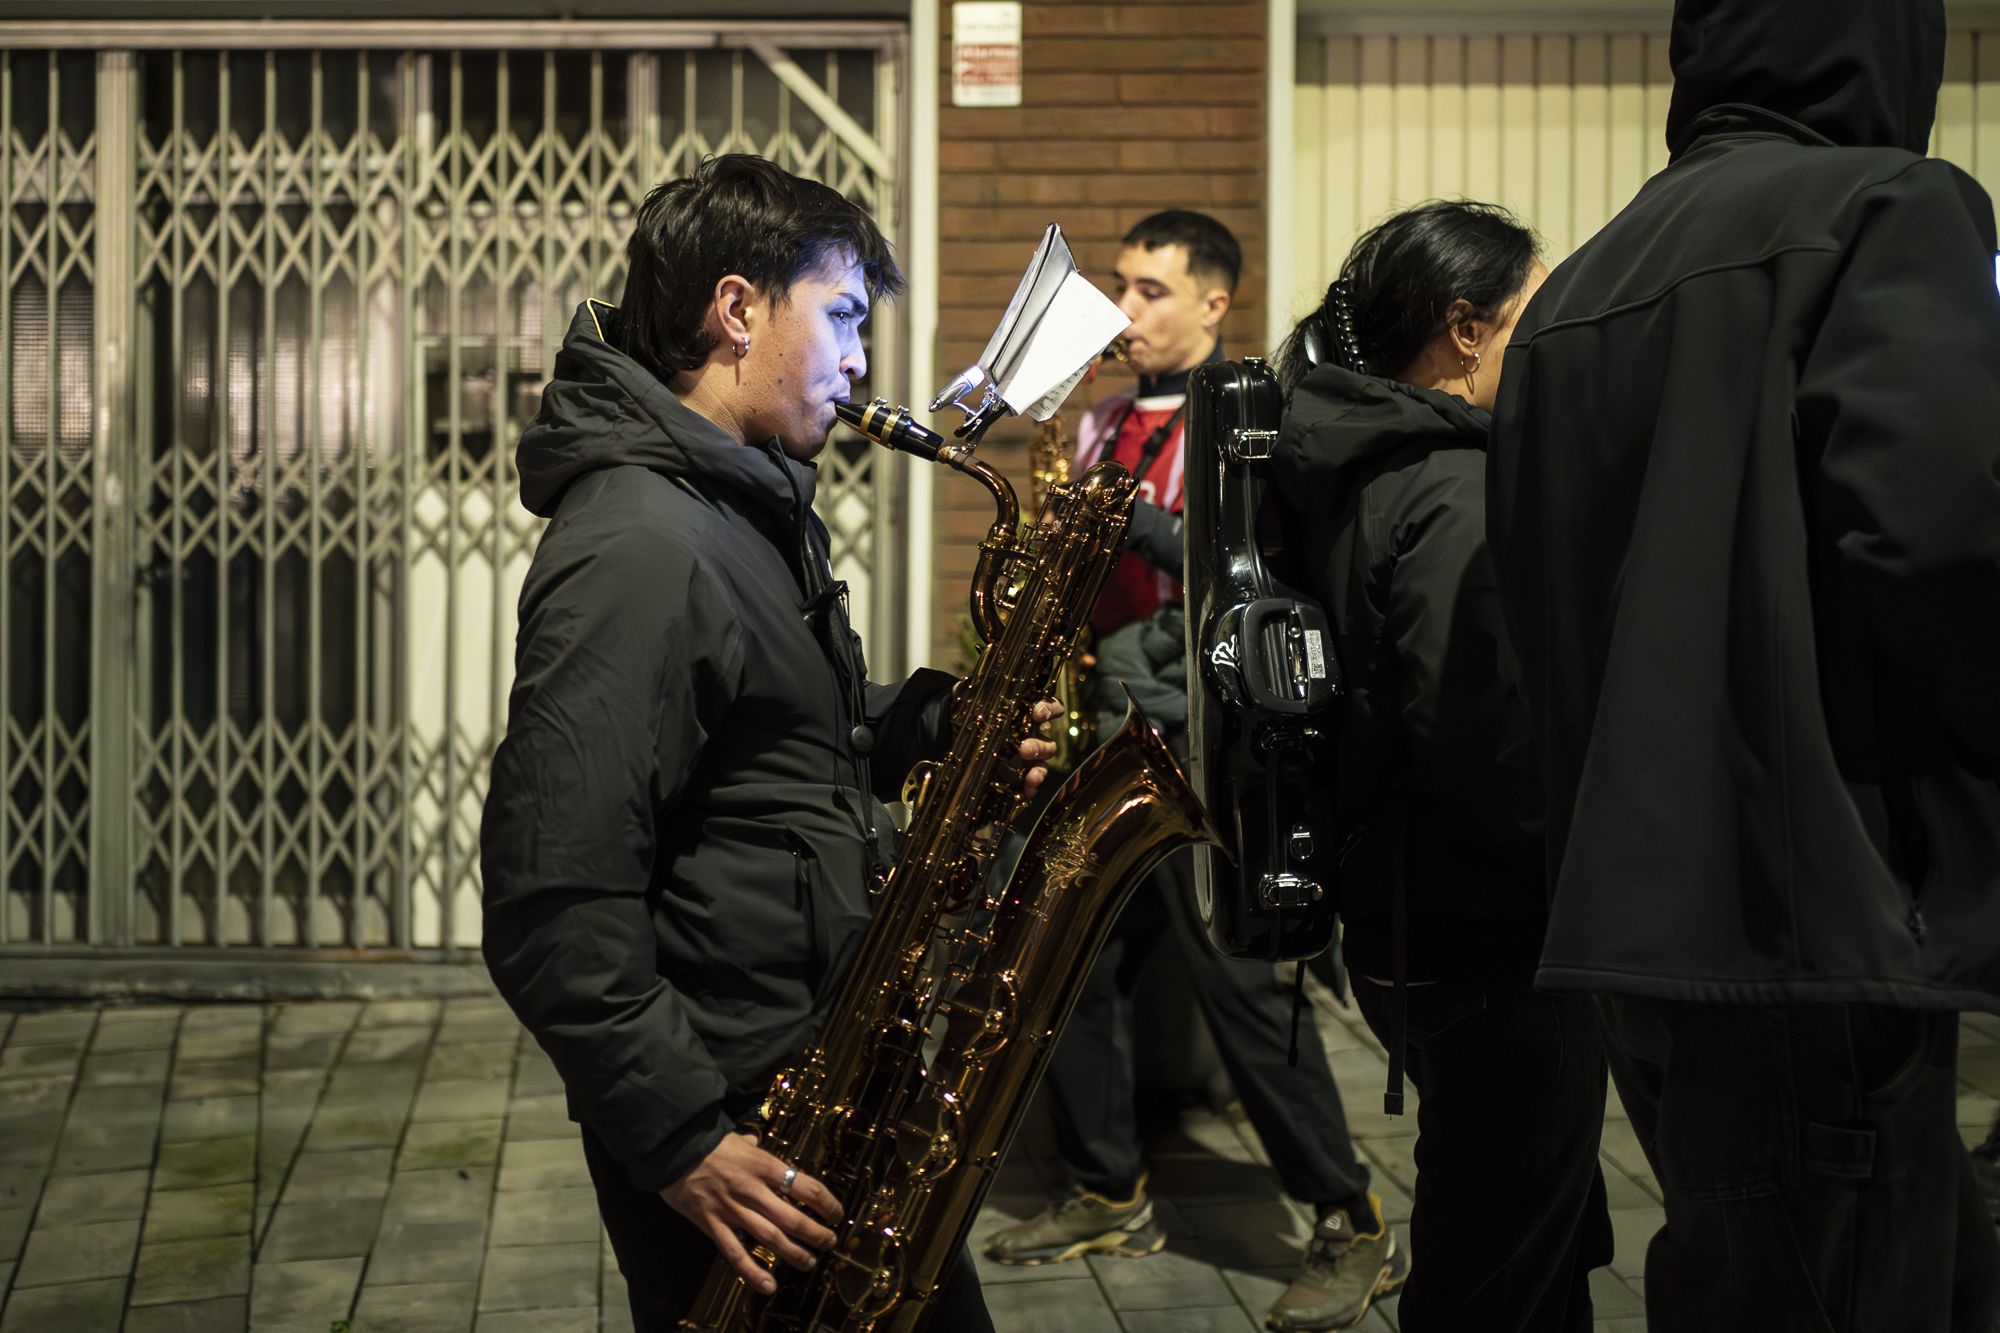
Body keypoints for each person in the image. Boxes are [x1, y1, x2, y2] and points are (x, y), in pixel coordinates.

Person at [1486, 1, 2000, 1327]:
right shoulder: (1888, 206)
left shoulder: (1579, 283)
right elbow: (1943, 544)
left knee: (1753, 1265)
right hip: (1813, 914)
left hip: (1630, 929)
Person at [479, 153, 1056, 1332]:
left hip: (814, 1069)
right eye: (841, 316)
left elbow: (774, 740)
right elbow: (551, 886)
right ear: (736, 310)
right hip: (744, 1117)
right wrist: (681, 1138)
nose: (859, 361)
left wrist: (938, 724)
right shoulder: (639, 546)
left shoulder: (734, 502)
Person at [985, 210, 1398, 1333]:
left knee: (1242, 991)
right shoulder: (1101, 420)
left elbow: (1252, 571)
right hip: (1105, 732)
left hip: (1197, 745)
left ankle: (1351, 1215)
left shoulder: (1250, 421)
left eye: (1150, 290)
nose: (1123, 310)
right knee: (1062, 964)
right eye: (1119, 284)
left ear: (1215, 303)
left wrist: (1137, 526)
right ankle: (1106, 1187)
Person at [1267, 200, 1613, 1332]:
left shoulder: (1358, 464)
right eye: (1531, 317)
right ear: (1464, 330)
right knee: (1493, 1266)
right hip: (1493, 937)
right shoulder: (1454, 487)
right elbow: (1488, 738)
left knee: (1524, 1236)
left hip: (1409, 919)